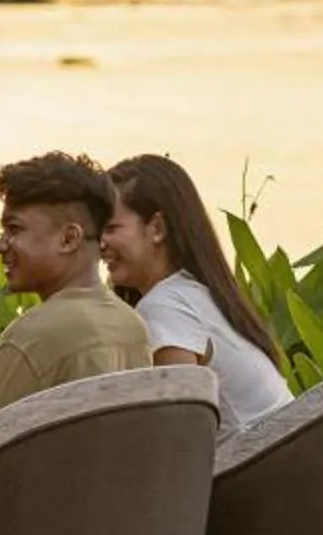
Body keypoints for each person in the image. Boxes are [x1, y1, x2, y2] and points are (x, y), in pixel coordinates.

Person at [100, 154, 295, 431]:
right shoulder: (198, 293)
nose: (100, 243)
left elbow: (179, 433)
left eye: (110, 228)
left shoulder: (165, 306)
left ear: (157, 228)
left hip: (263, 469)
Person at [0, 152, 152, 424]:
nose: (0, 245)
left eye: (14, 229)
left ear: (69, 239)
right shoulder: (132, 325)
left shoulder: (33, 337)